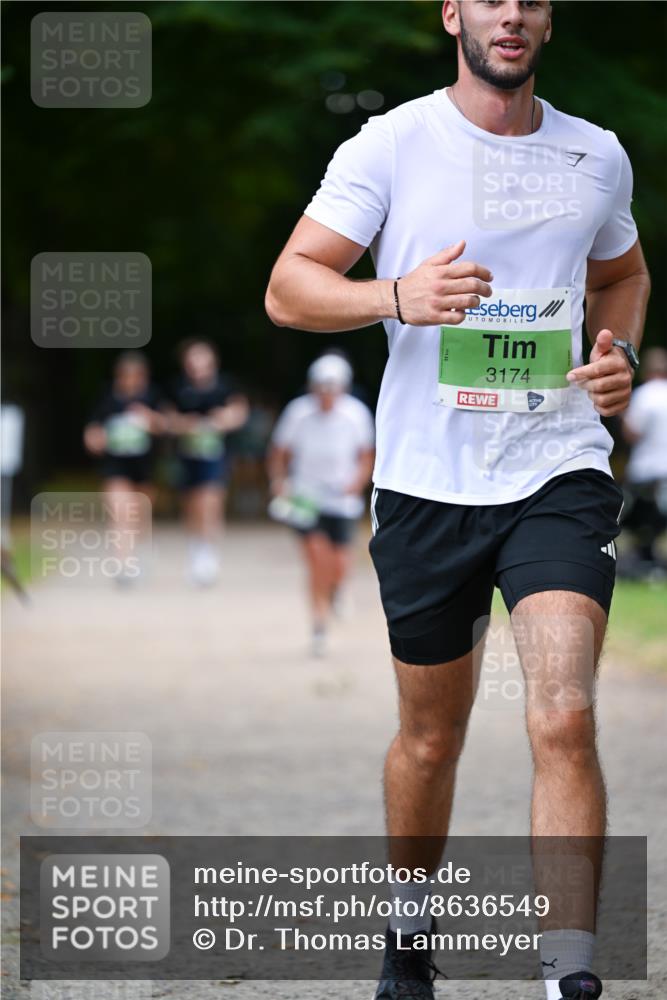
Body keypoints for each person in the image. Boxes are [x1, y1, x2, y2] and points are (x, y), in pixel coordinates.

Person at [265, 3, 650, 998]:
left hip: (554, 471)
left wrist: (617, 358)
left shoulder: (595, 155)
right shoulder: (392, 143)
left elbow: (623, 274)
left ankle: (568, 970)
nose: (510, 14)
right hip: (428, 484)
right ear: (455, 13)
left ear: (548, 20)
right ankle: (406, 935)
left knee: (561, 715)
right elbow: (290, 286)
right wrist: (396, 296)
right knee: (431, 733)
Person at [267, 353, 375, 656]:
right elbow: (279, 451)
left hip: (341, 499)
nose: (325, 394)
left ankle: (337, 590)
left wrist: (355, 484)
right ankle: (319, 625)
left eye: (332, 387)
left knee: (340, 563)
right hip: (306, 496)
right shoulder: (298, 412)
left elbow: (366, 455)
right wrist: (279, 481)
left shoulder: (356, 414)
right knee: (316, 560)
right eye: (321, 387)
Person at [166, 339, 248, 586]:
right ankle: (195, 549)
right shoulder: (178, 388)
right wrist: (185, 425)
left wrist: (221, 421)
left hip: (216, 456)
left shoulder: (225, 387)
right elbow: (166, 419)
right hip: (187, 456)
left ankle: (208, 555)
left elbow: (239, 413)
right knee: (191, 505)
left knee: (210, 502)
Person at [83, 351, 164, 582]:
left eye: (136, 376)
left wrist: (150, 419)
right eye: (126, 376)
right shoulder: (107, 399)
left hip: (144, 467)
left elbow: (166, 425)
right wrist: (94, 439)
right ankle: (122, 563)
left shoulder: (152, 397)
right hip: (114, 465)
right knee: (120, 512)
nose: (131, 381)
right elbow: (92, 431)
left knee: (139, 514)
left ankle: (138, 554)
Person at [620, 347, 667, 575]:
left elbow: (632, 433)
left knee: (638, 522)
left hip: (646, 471)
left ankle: (643, 563)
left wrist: (622, 415)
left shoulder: (644, 395)